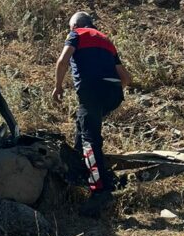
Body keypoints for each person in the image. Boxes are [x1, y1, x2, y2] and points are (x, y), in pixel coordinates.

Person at [52, 11, 131, 197]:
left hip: (92, 90)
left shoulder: (77, 34)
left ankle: (100, 188)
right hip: (114, 94)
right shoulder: (106, 40)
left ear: (74, 26)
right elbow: (126, 78)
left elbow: (62, 61)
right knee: (83, 123)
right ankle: (79, 168)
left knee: (90, 138)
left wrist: (58, 87)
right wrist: (109, 90)